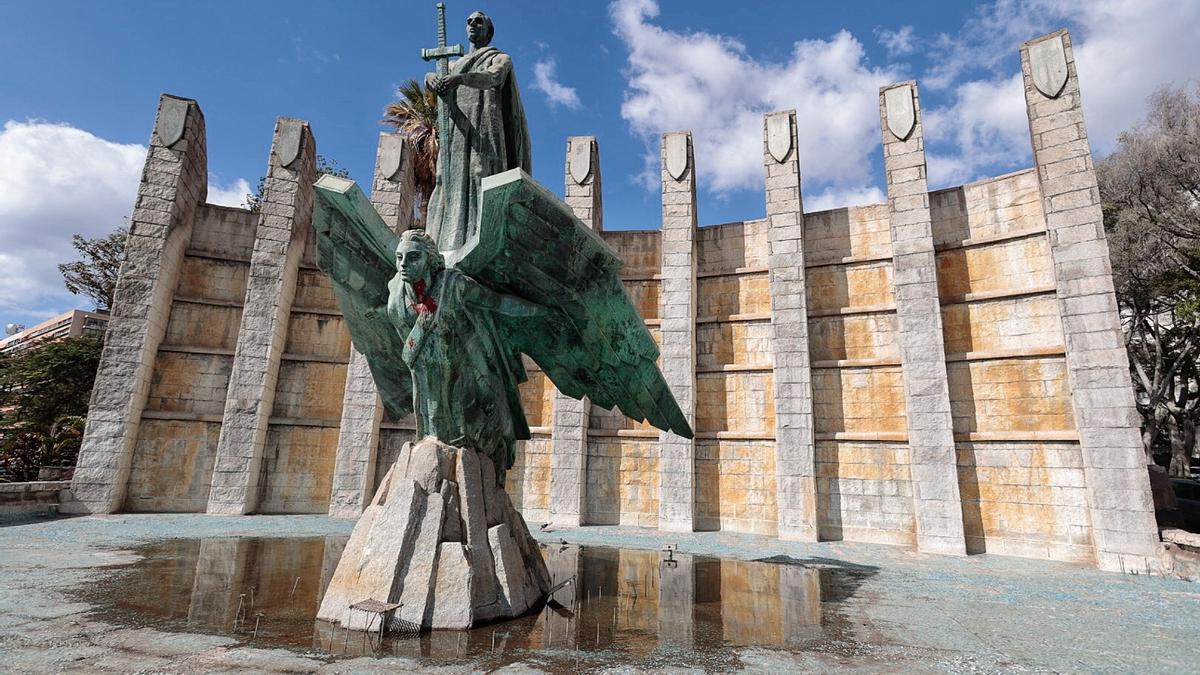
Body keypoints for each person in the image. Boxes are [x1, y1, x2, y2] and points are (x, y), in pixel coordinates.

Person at [386, 229, 542, 481]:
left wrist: (539, 312)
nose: (403, 264)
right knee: (432, 442)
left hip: (465, 378)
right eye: (399, 257)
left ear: (430, 259)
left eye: (413, 257)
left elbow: (497, 302)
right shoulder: (395, 295)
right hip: (425, 384)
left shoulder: (453, 284)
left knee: (481, 436)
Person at [425, 10, 531, 252]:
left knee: (481, 174)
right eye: (469, 21)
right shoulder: (451, 64)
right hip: (456, 130)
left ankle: (482, 241)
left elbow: (494, 77)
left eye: (479, 21)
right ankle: (439, 242)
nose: (473, 24)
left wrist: (460, 79)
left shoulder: (499, 58)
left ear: (488, 30)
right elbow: (433, 84)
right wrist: (430, 77)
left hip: (484, 127)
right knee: (444, 178)